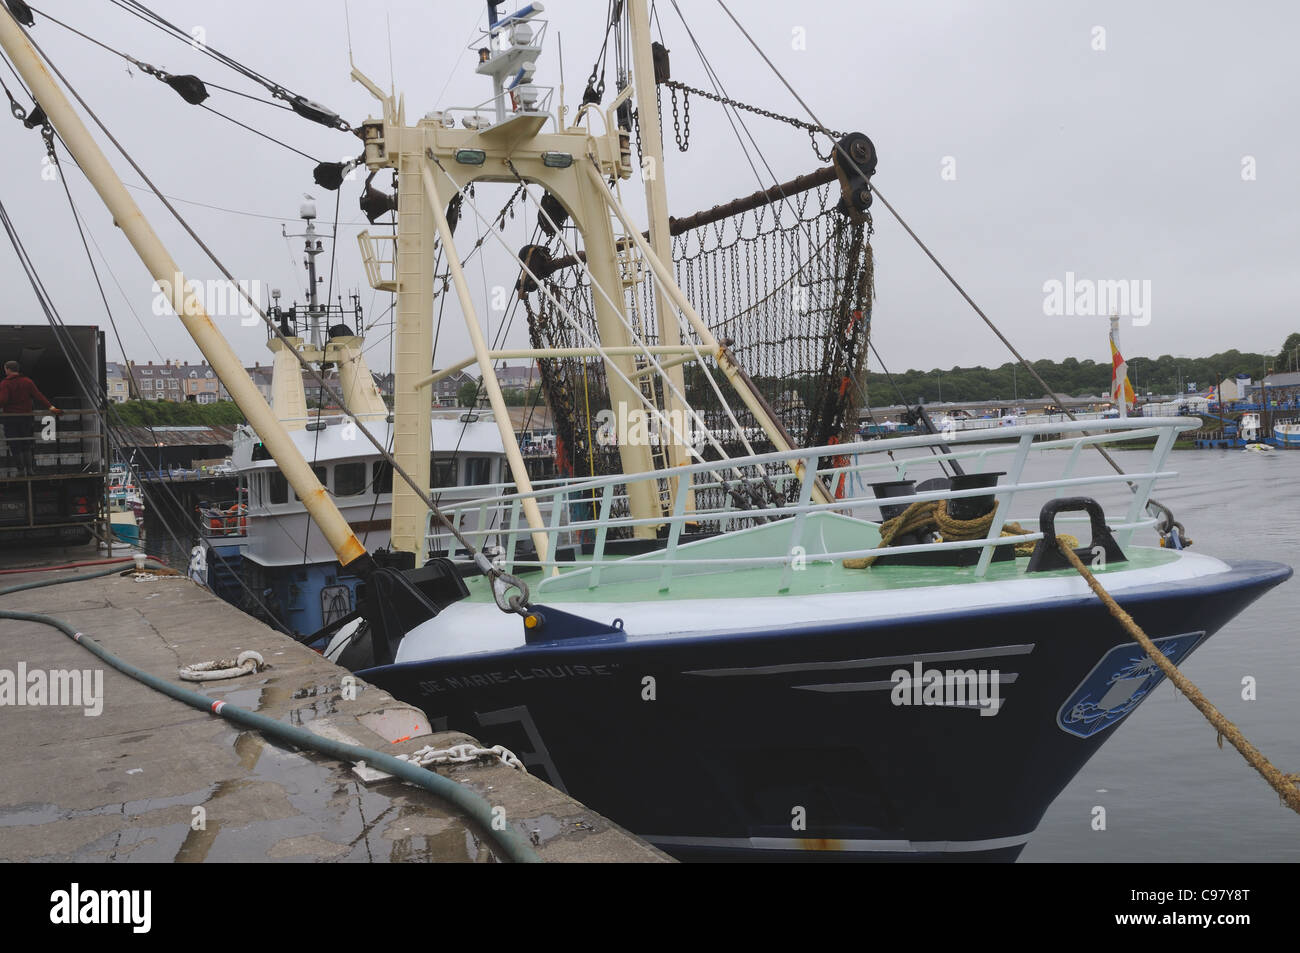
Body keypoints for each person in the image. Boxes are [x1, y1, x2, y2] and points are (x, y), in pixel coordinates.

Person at [0, 360, 62, 476]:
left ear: (8, 369)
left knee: (15, 444)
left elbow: (3, 400)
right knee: (26, 443)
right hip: (26, 417)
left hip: (11, 418)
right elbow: (38, 395)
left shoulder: (5, 383)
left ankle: (20, 470)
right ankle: (30, 470)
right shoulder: (27, 381)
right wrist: (51, 407)